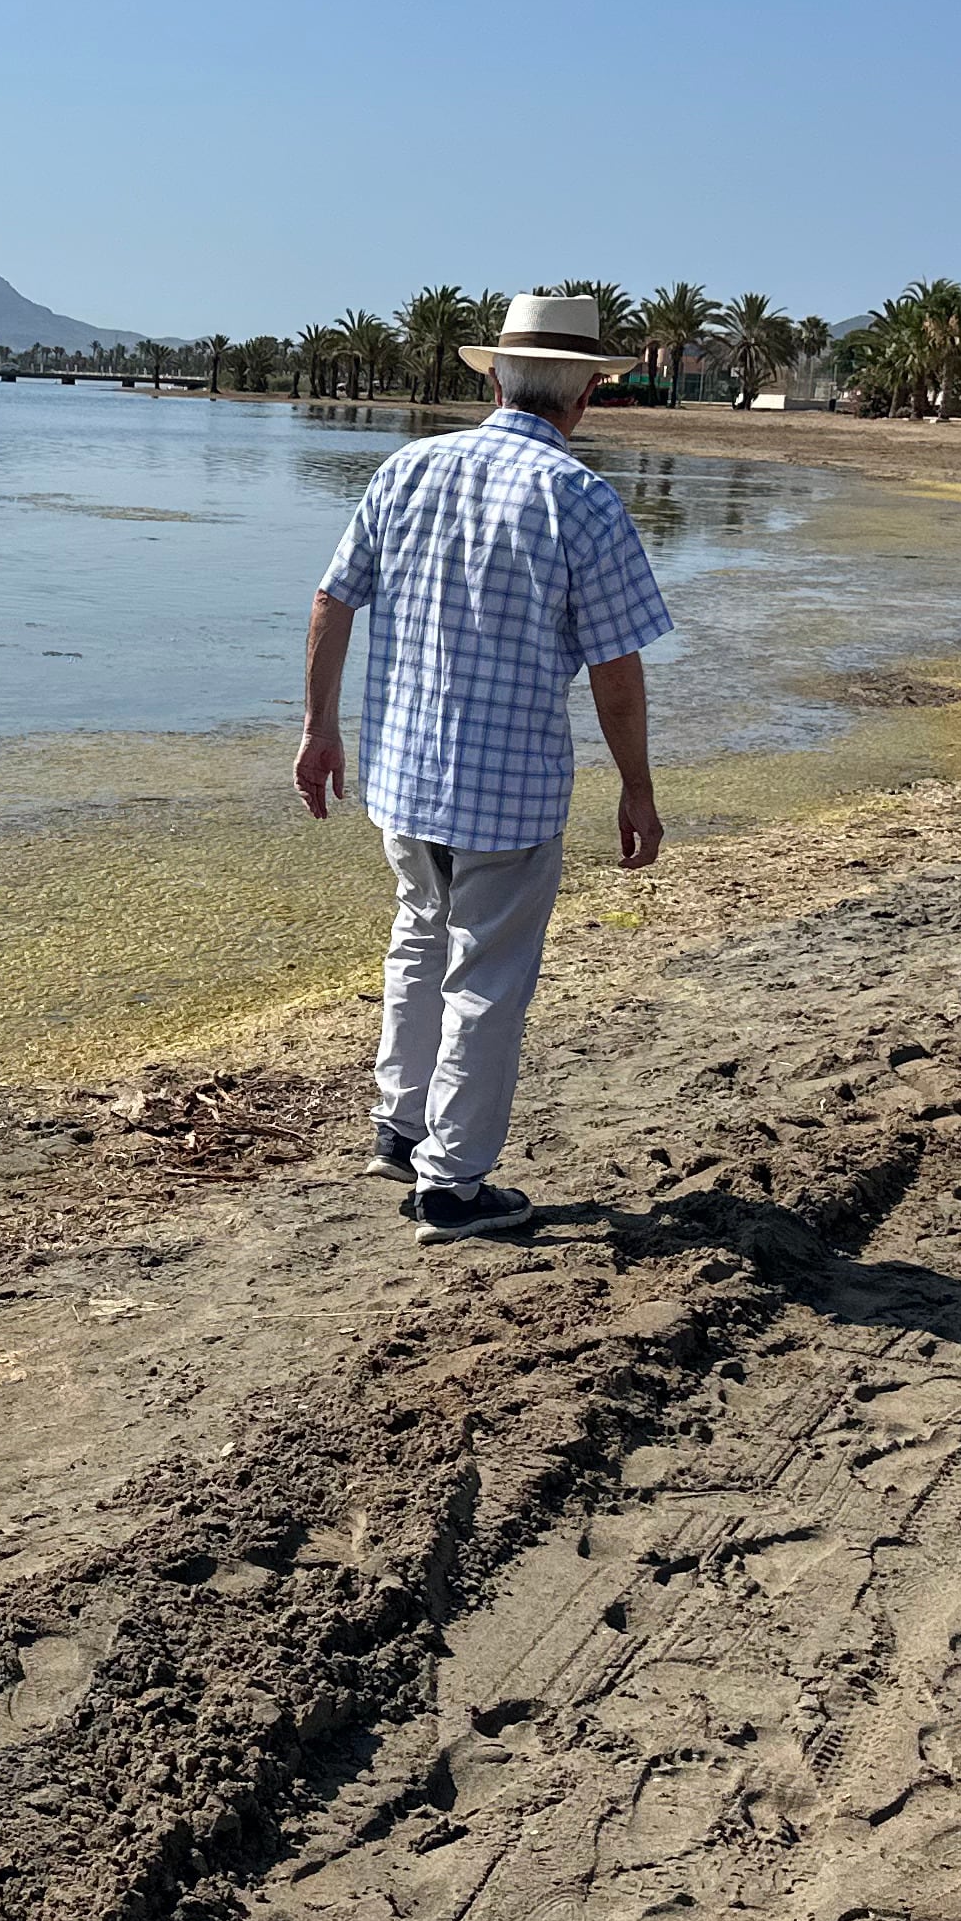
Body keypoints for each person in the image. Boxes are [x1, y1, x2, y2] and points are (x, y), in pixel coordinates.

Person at [294, 288, 671, 1245]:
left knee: (421, 940)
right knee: (487, 978)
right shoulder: (580, 499)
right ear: (586, 393)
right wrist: (636, 785)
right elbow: (615, 670)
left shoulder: (408, 470)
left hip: (405, 776)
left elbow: (333, 601)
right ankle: (452, 1187)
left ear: (497, 376)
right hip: (508, 787)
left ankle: (399, 1125)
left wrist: (319, 727)